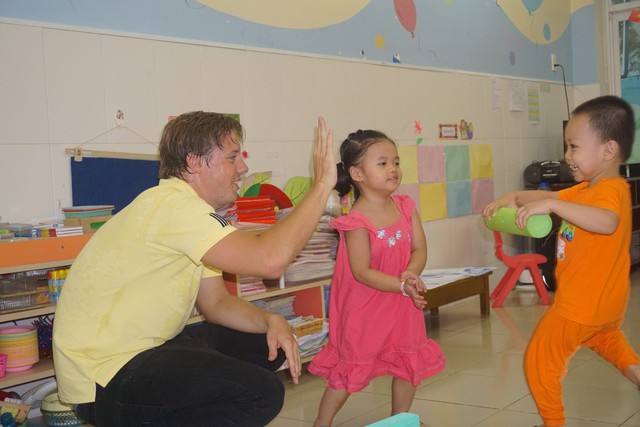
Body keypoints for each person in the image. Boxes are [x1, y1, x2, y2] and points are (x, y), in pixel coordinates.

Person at [52, 112, 336, 427]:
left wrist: (272, 320)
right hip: (102, 376)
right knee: (261, 392)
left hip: (141, 350)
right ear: (194, 162)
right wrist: (322, 186)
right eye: (232, 158)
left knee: (267, 343)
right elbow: (270, 261)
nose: (243, 168)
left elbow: (217, 303)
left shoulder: (186, 209)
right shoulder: (175, 207)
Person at [483, 95, 640, 427]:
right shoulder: (585, 190)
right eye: (566, 146)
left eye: (574, 146)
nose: (567, 155)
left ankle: (553, 423)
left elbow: (606, 222)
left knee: (539, 362)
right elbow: (549, 196)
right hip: (605, 308)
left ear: (608, 150)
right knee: (604, 340)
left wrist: (554, 207)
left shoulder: (611, 190)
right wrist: (514, 197)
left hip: (578, 306)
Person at [308, 129, 446, 427]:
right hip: (365, 308)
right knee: (351, 368)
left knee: (407, 362)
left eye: (395, 162)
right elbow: (362, 272)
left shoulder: (405, 206)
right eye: (382, 163)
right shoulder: (356, 221)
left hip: (402, 304)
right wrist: (401, 285)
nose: (393, 169)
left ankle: (401, 420)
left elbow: (420, 249)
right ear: (357, 173)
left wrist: (411, 272)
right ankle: (322, 422)